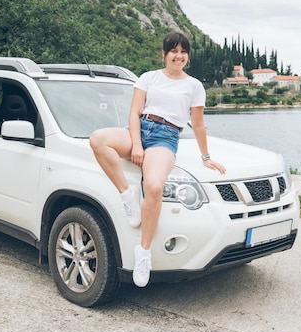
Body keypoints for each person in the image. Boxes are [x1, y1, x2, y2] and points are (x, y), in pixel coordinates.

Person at [89, 31, 226, 287]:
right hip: (140, 129)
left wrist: (206, 157)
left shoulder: (194, 86)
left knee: (153, 186)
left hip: (166, 136)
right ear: (164, 54)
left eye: (183, 51)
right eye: (173, 51)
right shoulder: (148, 78)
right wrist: (137, 144)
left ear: (188, 56)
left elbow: (197, 125)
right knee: (98, 139)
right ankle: (125, 194)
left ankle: (143, 253)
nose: (179, 56)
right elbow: (134, 113)